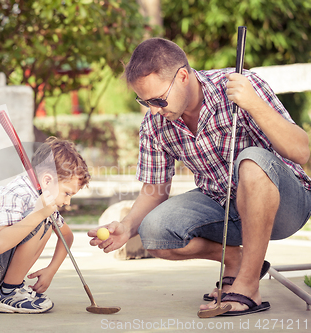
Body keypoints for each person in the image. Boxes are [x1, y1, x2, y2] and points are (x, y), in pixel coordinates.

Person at [88, 37, 311, 316]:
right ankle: (236, 259)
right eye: (145, 102)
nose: (154, 109)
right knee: (154, 231)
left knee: (252, 161)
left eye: (158, 99)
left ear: (183, 76)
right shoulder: (156, 124)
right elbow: (155, 191)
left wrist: (253, 104)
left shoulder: (241, 86)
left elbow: (301, 152)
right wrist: (127, 225)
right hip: (224, 206)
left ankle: (247, 284)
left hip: (285, 206)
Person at [0, 136, 90, 314]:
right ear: (47, 181)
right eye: (67, 193)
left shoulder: (43, 199)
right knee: (39, 222)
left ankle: (11, 288)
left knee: (45, 222)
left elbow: (67, 236)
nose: (68, 202)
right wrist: (39, 214)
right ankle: (8, 293)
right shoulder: (15, 194)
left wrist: (51, 270)